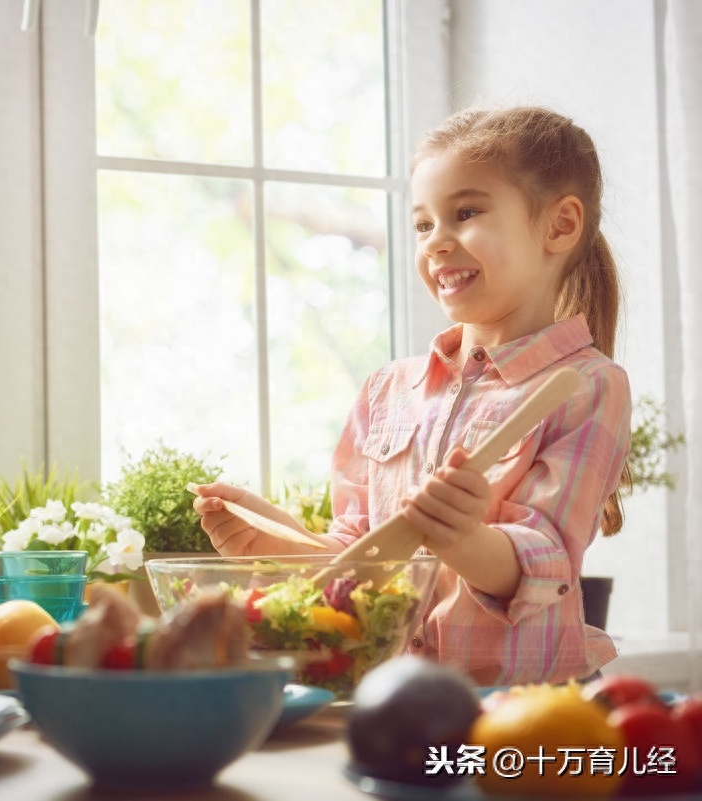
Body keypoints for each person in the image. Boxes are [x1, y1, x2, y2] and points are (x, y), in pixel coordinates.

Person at [194, 106, 630, 687]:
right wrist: (280, 543)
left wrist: (464, 540)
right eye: (423, 225)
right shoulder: (388, 389)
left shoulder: (589, 385)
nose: (436, 243)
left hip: (522, 712)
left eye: (466, 213)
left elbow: (545, 562)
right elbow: (364, 559)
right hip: (391, 697)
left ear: (560, 225)